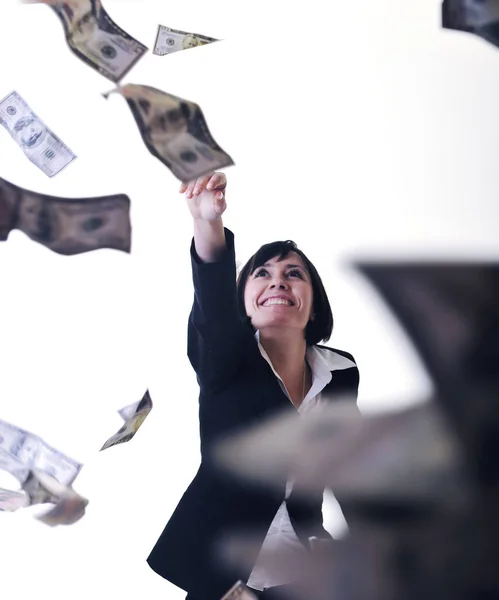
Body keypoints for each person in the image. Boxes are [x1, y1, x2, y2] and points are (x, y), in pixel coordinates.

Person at [147, 172, 360, 600]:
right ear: (243, 301)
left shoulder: (340, 374)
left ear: (313, 301)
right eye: (261, 274)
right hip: (222, 576)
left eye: (293, 273)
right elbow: (212, 302)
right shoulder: (224, 361)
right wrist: (207, 221)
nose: (277, 281)